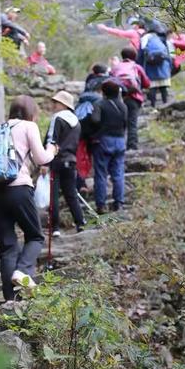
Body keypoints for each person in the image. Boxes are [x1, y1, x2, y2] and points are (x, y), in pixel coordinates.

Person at [0, 95, 58, 301]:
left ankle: (10, 300)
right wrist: (52, 150)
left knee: (8, 247)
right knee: (35, 236)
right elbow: (42, 158)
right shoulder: (28, 126)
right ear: (31, 112)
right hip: (19, 189)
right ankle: (24, 271)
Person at [42, 91, 85, 237]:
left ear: (63, 105)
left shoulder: (57, 118)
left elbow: (51, 139)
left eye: (56, 102)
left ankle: (55, 228)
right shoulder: (76, 121)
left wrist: (44, 161)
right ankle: (80, 223)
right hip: (71, 160)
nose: (53, 105)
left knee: (53, 194)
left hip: (56, 160)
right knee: (71, 193)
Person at [89, 80, 128, 214]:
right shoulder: (123, 106)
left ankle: (101, 205)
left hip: (104, 141)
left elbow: (95, 120)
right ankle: (119, 203)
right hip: (120, 141)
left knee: (101, 174)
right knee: (118, 173)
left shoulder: (99, 104)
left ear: (103, 91)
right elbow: (125, 123)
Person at [110, 47, 151, 150]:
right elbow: (147, 83)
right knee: (132, 123)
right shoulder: (136, 67)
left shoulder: (115, 68)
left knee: (119, 123)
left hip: (118, 99)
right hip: (133, 97)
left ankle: (118, 146)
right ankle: (132, 147)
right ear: (134, 57)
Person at [138, 23, 173, 107]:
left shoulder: (144, 39)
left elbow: (140, 56)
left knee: (152, 88)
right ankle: (165, 104)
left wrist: (140, 69)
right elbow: (168, 54)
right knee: (163, 87)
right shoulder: (162, 39)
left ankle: (153, 106)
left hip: (150, 68)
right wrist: (170, 67)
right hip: (164, 67)